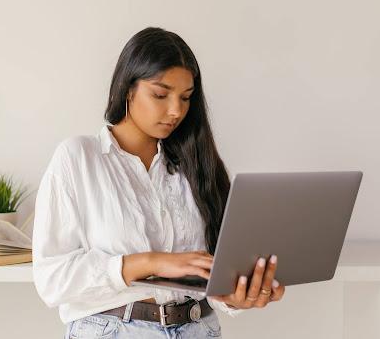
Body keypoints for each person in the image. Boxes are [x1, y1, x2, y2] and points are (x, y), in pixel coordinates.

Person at [32, 26, 286, 339]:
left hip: (199, 327)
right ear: (128, 89)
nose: (176, 110)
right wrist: (152, 263)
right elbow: (52, 280)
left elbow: (213, 270)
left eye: (186, 97)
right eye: (160, 94)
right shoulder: (78, 158)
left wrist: (237, 295)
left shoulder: (197, 165)